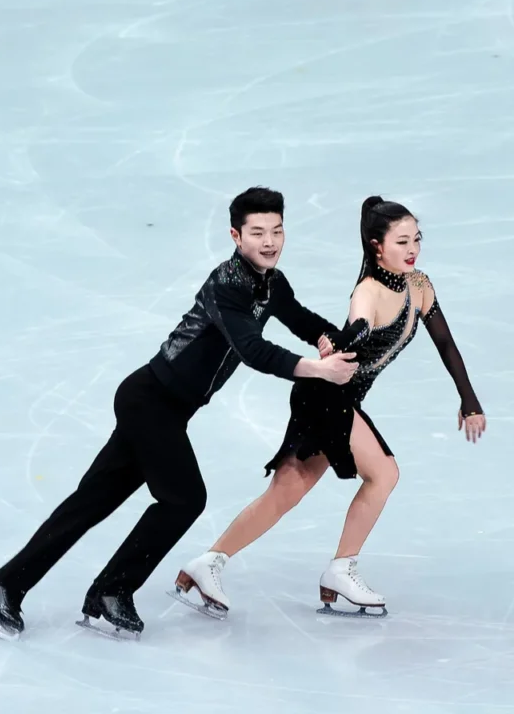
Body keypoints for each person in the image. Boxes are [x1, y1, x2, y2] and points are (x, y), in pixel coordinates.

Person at [0, 186, 359, 641]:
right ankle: (109, 591)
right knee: (185, 498)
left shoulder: (272, 283)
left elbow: (300, 317)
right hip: (149, 401)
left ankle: (2, 588)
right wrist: (318, 370)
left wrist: (328, 337)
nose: (269, 241)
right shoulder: (227, 284)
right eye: (257, 232)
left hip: (165, 407)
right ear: (236, 235)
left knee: (89, 504)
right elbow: (252, 349)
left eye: (276, 230)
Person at [171, 195, 487, 619]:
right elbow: (354, 331)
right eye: (401, 241)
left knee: (287, 491)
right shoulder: (368, 293)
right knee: (384, 472)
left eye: (417, 239)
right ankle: (342, 568)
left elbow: (445, 342)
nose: (412, 249)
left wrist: (469, 399)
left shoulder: (420, 286)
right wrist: (338, 343)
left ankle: (207, 564)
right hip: (324, 394)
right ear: (377, 246)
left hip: (339, 396)